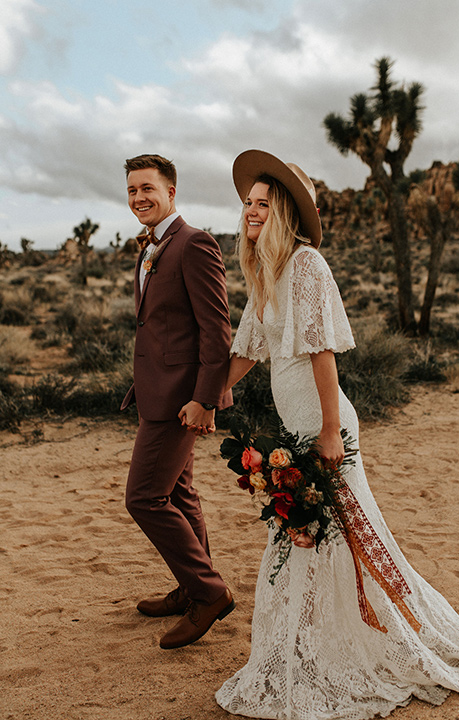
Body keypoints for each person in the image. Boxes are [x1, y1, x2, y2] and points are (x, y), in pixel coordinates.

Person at [216, 149, 459, 718]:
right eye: (246, 204)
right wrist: (211, 390)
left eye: (262, 204)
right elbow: (248, 349)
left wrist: (331, 430)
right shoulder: (265, 269)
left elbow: (322, 353)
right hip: (294, 426)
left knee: (343, 537)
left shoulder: (308, 264)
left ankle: (368, 645)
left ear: (283, 210)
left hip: (324, 424)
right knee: (309, 538)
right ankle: (310, 648)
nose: (250, 212)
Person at [121, 153, 235, 650]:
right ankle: (193, 587)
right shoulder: (150, 247)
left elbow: (216, 330)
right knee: (180, 493)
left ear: (171, 192)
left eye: (148, 188)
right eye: (131, 191)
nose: (139, 198)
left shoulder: (194, 244)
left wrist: (204, 400)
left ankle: (210, 594)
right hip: (156, 391)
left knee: (144, 497)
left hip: (179, 400)